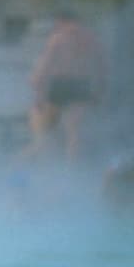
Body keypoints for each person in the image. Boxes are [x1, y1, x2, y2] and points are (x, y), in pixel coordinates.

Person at [23, 9, 104, 161]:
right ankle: (71, 172)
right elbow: (101, 68)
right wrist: (99, 92)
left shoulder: (59, 38)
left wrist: (37, 87)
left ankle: (20, 165)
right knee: (74, 134)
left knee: (43, 134)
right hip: (81, 85)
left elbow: (46, 65)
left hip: (59, 85)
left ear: (62, 21)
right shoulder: (93, 39)